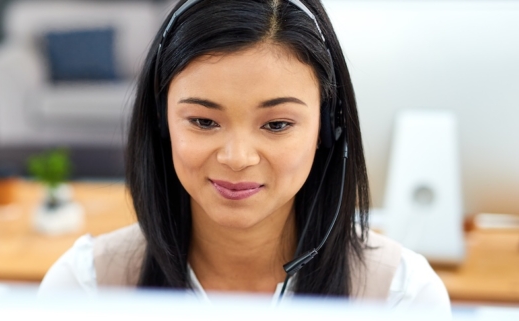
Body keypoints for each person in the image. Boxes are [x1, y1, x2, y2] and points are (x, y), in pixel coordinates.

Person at [38, 0, 450, 314]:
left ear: (328, 128)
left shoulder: (403, 297)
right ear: (162, 122)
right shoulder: (84, 288)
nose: (237, 158)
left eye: (276, 125)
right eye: (202, 121)